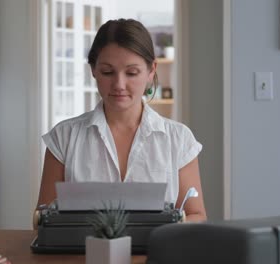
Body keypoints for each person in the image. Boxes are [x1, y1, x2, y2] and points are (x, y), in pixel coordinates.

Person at [37, 18, 206, 222]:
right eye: (108, 72)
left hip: (159, 252)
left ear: (151, 71)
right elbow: (42, 219)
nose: (119, 84)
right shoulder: (64, 137)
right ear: (93, 70)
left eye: (131, 73)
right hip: (83, 253)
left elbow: (197, 214)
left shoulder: (179, 139)